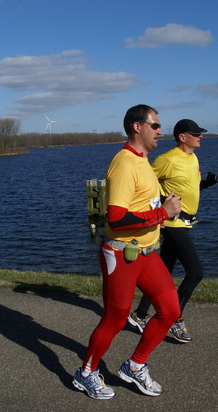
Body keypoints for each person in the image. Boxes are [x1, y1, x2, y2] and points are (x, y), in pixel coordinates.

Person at [73, 105, 182, 400]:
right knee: (115, 319)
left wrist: (162, 207)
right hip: (121, 254)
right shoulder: (124, 163)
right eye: (155, 125)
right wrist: (162, 213)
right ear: (137, 127)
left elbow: (140, 205)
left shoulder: (143, 160)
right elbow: (117, 219)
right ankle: (86, 373)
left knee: (170, 311)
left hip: (146, 253)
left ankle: (134, 366)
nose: (161, 130)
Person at [128, 119, 218, 343]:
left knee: (165, 270)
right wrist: (156, 209)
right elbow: (144, 182)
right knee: (196, 272)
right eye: (196, 133)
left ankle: (139, 315)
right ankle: (173, 318)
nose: (201, 136)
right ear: (182, 136)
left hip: (185, 222)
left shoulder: (192, 157)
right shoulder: (167, 159)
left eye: (200, 133)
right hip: (172, 223)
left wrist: (204, 184)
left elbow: (187, 186)